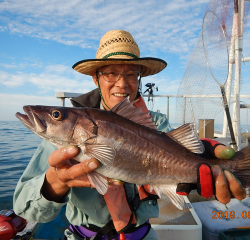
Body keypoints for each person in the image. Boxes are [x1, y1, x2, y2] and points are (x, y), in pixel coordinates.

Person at [13, 30, 246, 240]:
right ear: (96, 78)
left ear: (139, 79)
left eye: (132, 74)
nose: (122, 84)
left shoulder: (157, 123)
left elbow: (176, 148)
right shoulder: (57, 142)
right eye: (111, 73)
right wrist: (54, 182)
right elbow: (24, 208)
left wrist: (204, 154)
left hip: (142, 235)